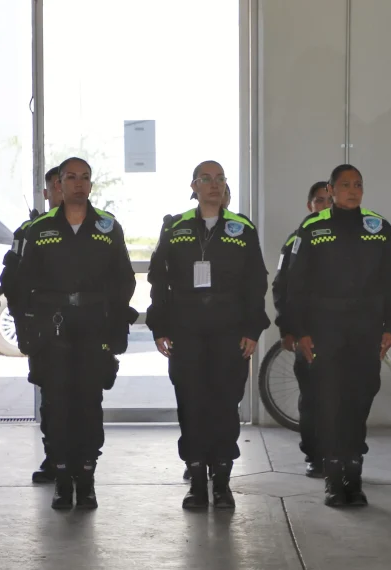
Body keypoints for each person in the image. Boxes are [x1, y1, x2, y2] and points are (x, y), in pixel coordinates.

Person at [10, 157, 136, 510]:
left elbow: (124, 280)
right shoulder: (39, 229)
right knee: (58, 406)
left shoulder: (109, 228)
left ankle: (87, 477)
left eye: (84, 178)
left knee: (88, 407)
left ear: (90, 186)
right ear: (59, 186)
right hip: (53, 330)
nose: (78, 184)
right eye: (71, 178)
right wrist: (29, 328)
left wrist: (112, 324)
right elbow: (21, 285)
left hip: (94, 329)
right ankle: (63, 479)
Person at [148, 161, 270, 509]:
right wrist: (160, 327)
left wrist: (251, 328)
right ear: (194, 186)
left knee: (223, 405)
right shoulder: (176, 227)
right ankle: (197, 479)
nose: (213, 185)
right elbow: (159, 280)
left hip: (229, 332)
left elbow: (255, 283)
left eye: (219, 179)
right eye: (206, 179)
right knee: (192, 404)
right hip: (186, 331)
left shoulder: (242, 229)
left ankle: (223, 479)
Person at [286, 164, 391, 508]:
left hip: (365, 330)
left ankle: (355, 476)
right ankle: (334, 480)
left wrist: (390, 326)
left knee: (357, 402)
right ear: (331, 189)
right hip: (325, 331)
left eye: (358, 185)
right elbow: (296, 286)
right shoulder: (312, 227)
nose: (353, 191)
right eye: (345, 185)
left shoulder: (378, 227)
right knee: (329, 404)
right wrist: (301, 331)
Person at [0, 166, 64, 484]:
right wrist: (23, 319)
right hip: (44, 329)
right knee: (50, 399)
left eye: (65, 182)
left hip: (86, 329)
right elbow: (11, 278)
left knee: (86, 399)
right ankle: (54, 458)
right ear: (47, 193)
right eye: (55, 184)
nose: (61, 189)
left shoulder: (98, 227)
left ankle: (82, 466)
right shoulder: (29, 231)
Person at [270, 180, 332, 478]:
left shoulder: (354, 238)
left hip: (348, 332)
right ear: (310, 205)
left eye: (329, 200)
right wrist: (287, 328)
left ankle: (344, 456)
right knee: (312, 397)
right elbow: (281, 286)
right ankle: (315, 456)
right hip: (310, 332)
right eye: (319, 200)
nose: (325, 205)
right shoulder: (296, 240)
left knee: (345, 397)